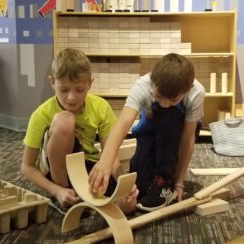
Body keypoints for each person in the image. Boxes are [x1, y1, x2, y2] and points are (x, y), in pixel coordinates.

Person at [21, 48, 138, 214]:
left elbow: (109, 155)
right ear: (52, 82)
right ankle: (65, 191)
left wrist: (121, 182)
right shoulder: (41, 114)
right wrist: (57, 190)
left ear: (90, 83)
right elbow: (27, 167)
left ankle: (81, 197)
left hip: (87, 165)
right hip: (56, 171)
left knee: (128, 205)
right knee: (65, 121)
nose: (71, 97)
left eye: (79, 90)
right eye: (64, 90)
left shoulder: (100, 107)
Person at [89, 53, 205, 212]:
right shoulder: (143, 85)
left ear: (187, 90)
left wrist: (178, 181)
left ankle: (164, 179)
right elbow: (123, 124)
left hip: (177, 131)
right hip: (152, 127)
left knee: (168, 113)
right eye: (159, 97)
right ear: (152, 81)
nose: (165, 104)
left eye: (173, 100)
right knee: (141, 187)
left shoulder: (196, 92)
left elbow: (187, 139)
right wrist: (105, 161)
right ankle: (155, 178)